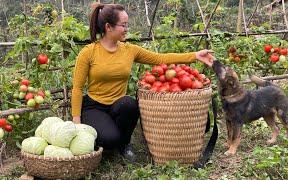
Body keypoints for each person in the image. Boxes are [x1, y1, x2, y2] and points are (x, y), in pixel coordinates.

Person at [71, 3, 214, 162]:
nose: (127, 29)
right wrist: (76, 122)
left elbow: (160, 59)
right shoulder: (89, 52)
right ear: (108, 27)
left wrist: (195, 55)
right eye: (123, 25)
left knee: (130, 105)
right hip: (94, 107)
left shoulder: (129, 50)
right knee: (110, 140)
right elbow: (77, 88)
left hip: (118, 105)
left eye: (127, 25)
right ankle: (110, 137)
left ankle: (124, 144)